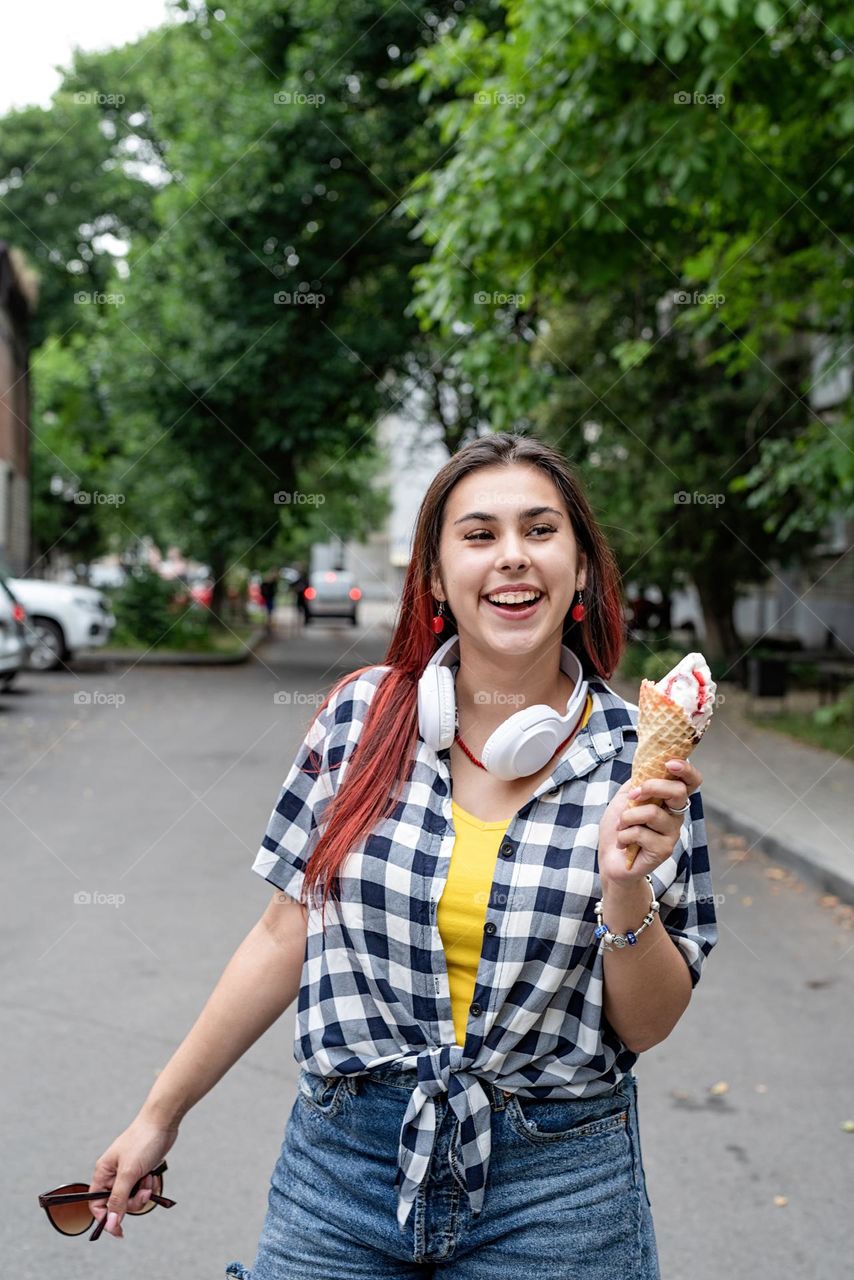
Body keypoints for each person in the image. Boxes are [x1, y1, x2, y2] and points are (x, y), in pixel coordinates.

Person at [86, 433, 718, 1276]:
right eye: (479, 534)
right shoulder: (361, 718)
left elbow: (648, 1024)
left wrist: (626, 887)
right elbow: (284, 935)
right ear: (433, 576)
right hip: (344, 1170)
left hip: (560, 1187)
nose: (513, 559)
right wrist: (159, 1115)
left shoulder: (642, 759)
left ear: (582, 572)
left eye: (539, 531)